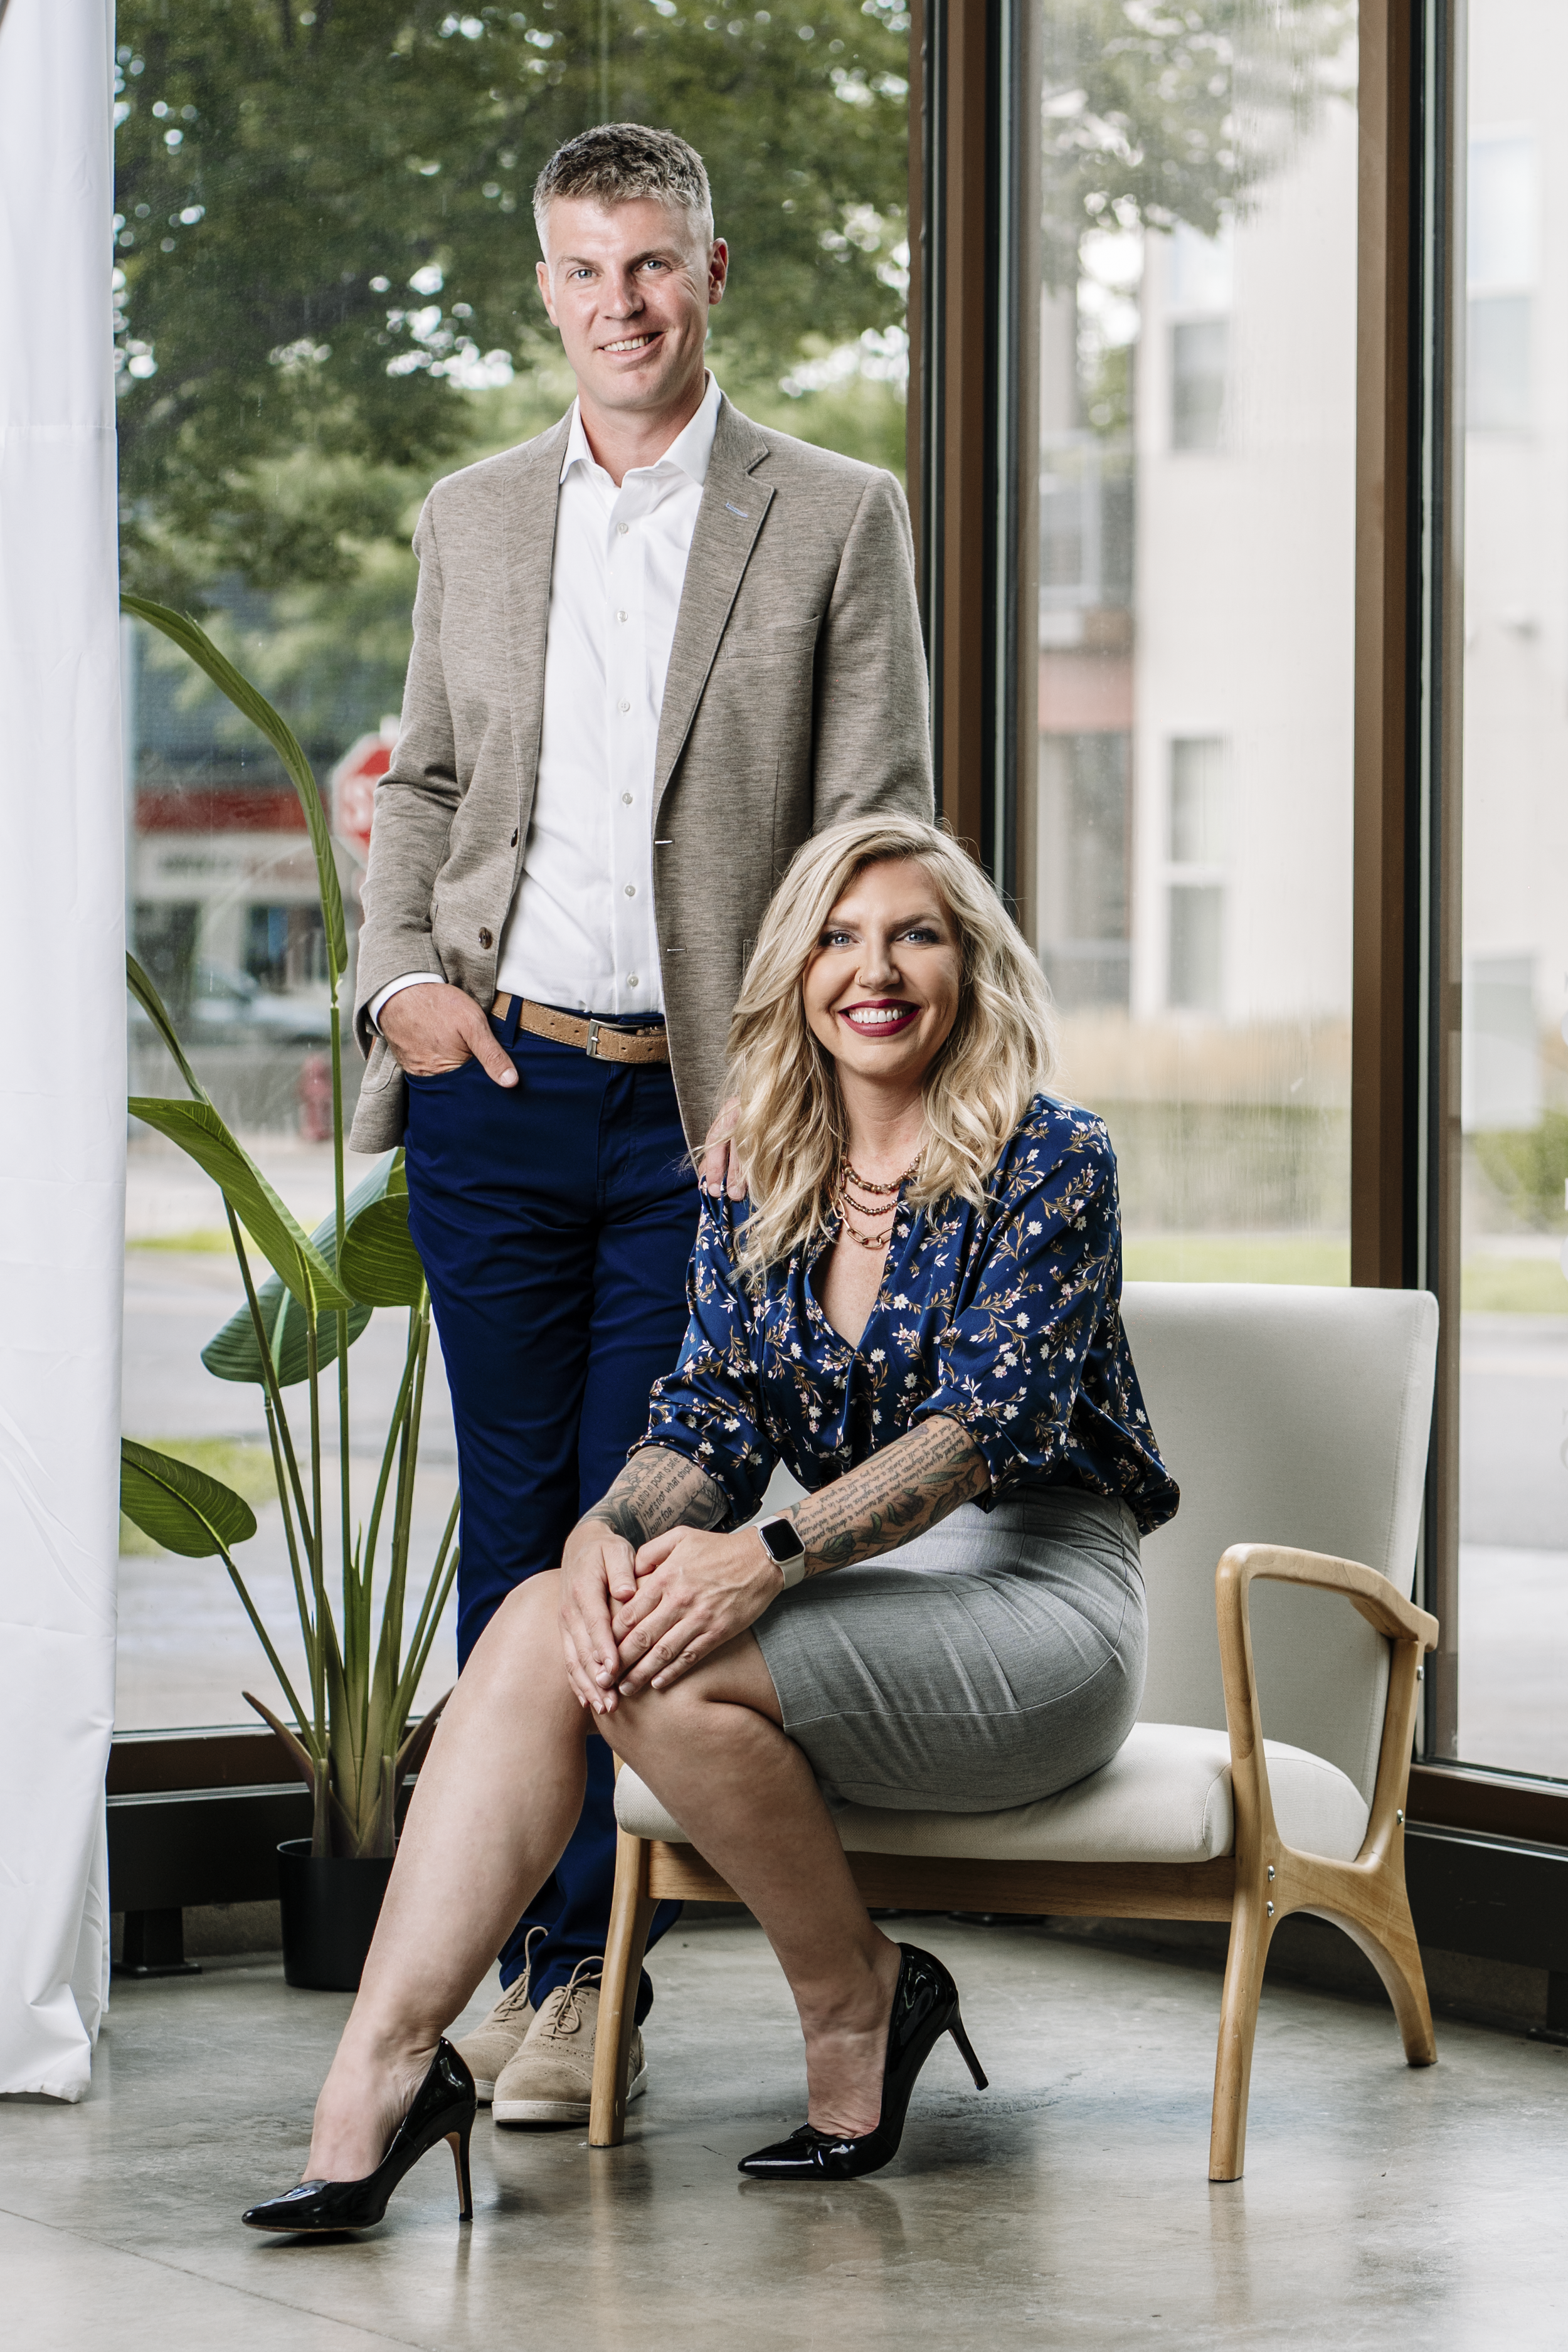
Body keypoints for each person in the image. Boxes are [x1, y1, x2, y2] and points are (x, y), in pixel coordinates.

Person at [243, 816, 1178, 2232]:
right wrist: (600, 1534)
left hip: (1038, 1602)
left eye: (915, 934)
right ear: (793, 973)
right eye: (838, 937)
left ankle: (856, 1995)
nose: (876, 969)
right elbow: (708, 1420)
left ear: (971, 968)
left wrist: (769, 1556)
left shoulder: (1050, 1159)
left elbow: (976, 1434)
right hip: (865, 1596)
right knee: (557, 1622)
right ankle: (378, 2076)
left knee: (660, 1657)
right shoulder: (761, 1182)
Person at [347, 122, 932, 2122]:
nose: (624, 302)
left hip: (712, 1127)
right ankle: (530, 1962)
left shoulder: (833, 512)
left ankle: (592, 1979)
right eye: (588, 270)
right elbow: (423, 785)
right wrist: (400, 986)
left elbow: (879, 823)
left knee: (629, 1529)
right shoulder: (473, 515)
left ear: (711, 270)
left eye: (656, 264)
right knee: (507, 1529)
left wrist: (795, 1088)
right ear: (545, 288)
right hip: (495, 1090)